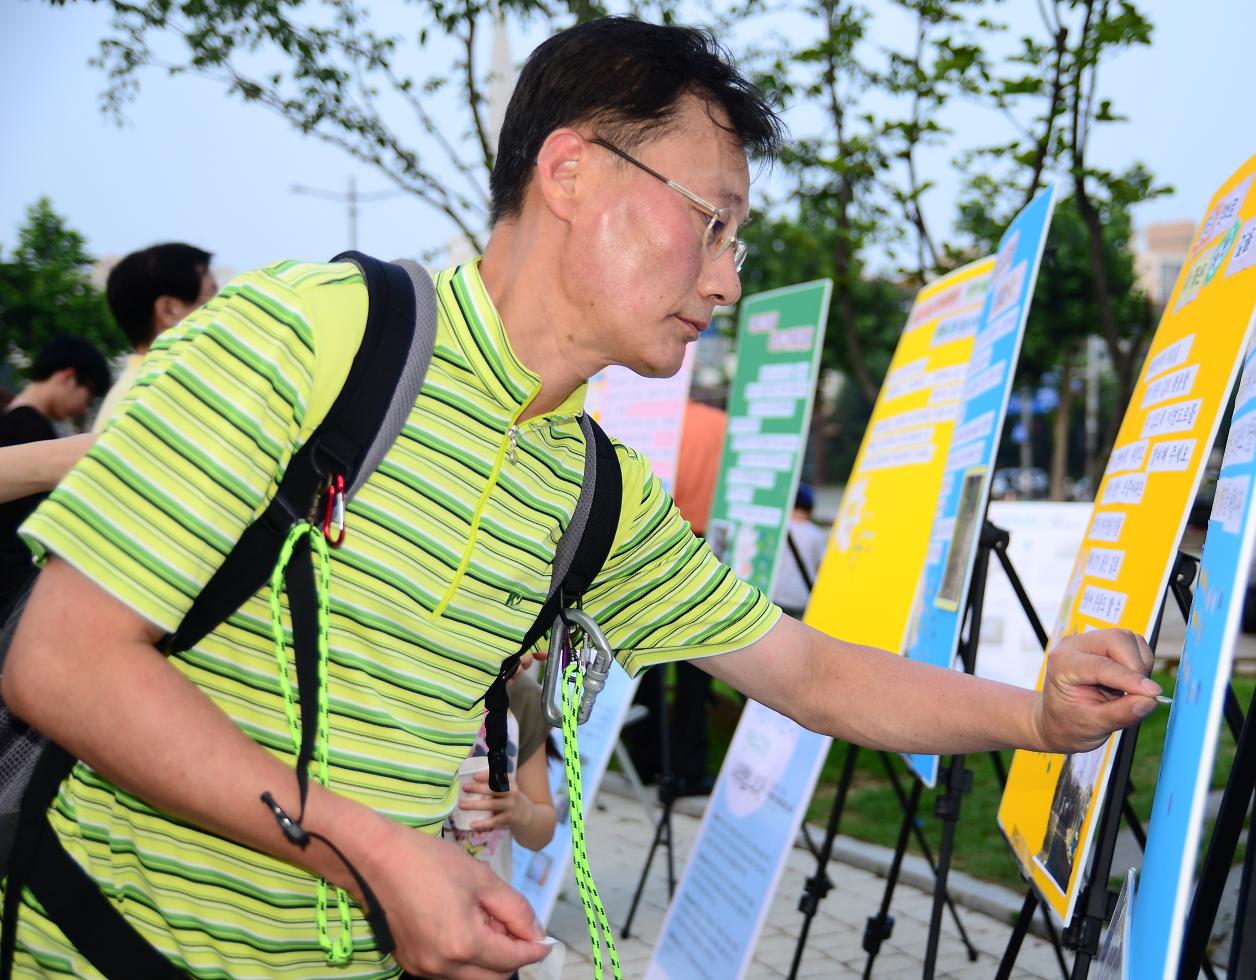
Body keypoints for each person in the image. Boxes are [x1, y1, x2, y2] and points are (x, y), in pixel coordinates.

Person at [3, 17, 1161, 980]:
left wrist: (1036, 717)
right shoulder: (306, 335)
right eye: (712, 222)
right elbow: (64, 661)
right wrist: (374, 852)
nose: (727, 276)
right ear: (569, 171)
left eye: (740, 242)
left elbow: (807, 670)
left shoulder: (593, 488)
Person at [626, 397, 728, 794]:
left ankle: (647, 757)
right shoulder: (721, 425)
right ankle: (686, 766)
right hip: (706, 544)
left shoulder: (653, 422)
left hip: (653, 540)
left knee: (647, 656)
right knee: (701, 663)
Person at [0, 337, 110, 610]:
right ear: (68, 377)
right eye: (90, 394)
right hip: (13, 584)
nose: (85, 407)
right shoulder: (35, 432)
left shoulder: (7, 419)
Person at [446, 672, 558, 884]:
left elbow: (542, 831)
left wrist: (522, 812)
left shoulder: (523, 697)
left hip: (482, 894)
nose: (526, 659)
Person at [94, 242, 217, 429]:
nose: (223, 310)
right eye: (211, 298)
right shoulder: (146, 397)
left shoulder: (140, 389)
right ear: (168, 310)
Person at [771, 482, 830, 618]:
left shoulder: (778, 529)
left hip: (776, 596)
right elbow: (821, 568)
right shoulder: (816, 534)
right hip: (802, 598)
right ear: (810, 508)